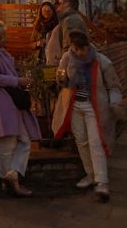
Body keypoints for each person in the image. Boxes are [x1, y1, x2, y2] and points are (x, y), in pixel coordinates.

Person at [52, 30, 122, 201]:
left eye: (81, 49)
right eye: (75, 49)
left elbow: (113, 85)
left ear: (87, 46)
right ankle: (90, 174)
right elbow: (62, 78)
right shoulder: (67, 58)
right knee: (82, 142)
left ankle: (102, 182)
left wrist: (114, 102)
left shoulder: (102, 61)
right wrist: (61, 79)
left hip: (94, 107)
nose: (79, 53)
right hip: (74, 105)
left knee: (96, 143)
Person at [0, 20, 41, 197]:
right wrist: (17, 81)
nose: (6, 38)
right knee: (9, 142)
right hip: (2, 101)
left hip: (8, 100)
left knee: (21, 140)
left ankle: (11, 176)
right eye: (2, 35)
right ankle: (9, 179)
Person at [45, 0, 88, 66]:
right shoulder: (67, 20)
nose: (57, 7)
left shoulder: (71, 20)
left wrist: (64, 63)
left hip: (68, 66)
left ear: (67, 4)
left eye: (59, 3)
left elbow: (70, 45)